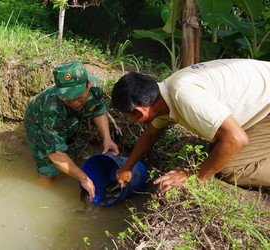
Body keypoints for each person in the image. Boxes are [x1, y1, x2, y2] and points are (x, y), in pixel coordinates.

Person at [111, 58, 270, 195]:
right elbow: (151, 134)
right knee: (218, 149)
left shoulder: (184, 96)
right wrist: (127, 167)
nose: (130, 121)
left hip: (266, 105)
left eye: (128, 117)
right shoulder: (164, 97)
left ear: (140, 112)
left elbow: (236, 139)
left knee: (230, 169)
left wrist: (193, 177)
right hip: (262, 98)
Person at [24, 61, 119, 201]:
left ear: (88, 85)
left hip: (66, 120)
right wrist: (83, 178)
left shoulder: (95, 88)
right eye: (68, 98)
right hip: (37, 122)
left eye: (78, 95)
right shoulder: (53, 109)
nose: (74, 102)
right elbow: (55, 154)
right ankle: (37, 202)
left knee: (68, 154)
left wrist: (107, 138)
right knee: (49, 172)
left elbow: (98, 110)